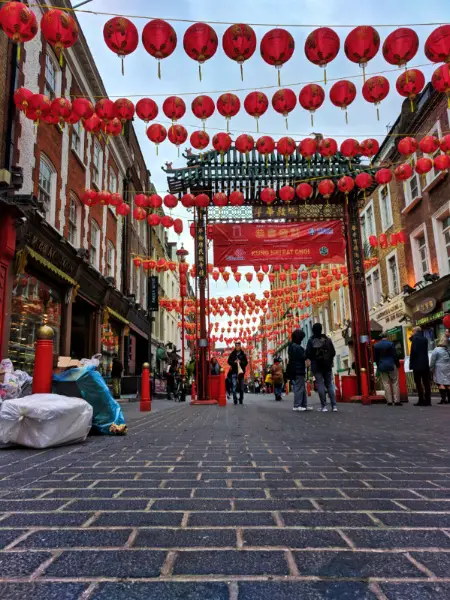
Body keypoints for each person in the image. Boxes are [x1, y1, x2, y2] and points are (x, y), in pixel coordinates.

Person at [306, 323, 337, 412]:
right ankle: (334, 406)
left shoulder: (311, 341)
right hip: (327, 365)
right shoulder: (327, 339)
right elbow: (333, 352)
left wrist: (313, 358)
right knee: (329, 384)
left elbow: (308, 353)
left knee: (320, 385)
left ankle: (324, 406)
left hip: (316, 365)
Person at [374, 332, 401, 406]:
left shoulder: (376, 346)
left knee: (386, 383)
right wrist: (397, 364)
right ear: (386, 337)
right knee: (395, 382)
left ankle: (389, 401)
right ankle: (397, 401)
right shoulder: (391, 344)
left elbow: (375, 358)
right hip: (391, 364)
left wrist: (378, 366)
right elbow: (395, 355)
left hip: (382, 365)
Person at [288, 329, 312, 412]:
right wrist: (308, 351)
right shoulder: (297, 347)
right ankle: (297, 405)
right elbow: (303, 356)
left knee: (302, 388)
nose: (302, 340)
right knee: (299, 388)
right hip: (298, 369)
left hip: (297, 369)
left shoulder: (292, 346)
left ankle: (303, 405)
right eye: (301, 338)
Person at [409, 326, 431, 406]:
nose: (412, 333)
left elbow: (413, 351)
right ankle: (428, 400)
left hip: (417, 364)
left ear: (415, 331)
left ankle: (421, 399)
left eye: (412, 331)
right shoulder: (424, 339)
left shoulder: (415, 339)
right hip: (425, 363)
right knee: (426, 382)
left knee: (418, 382)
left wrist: (411, 363)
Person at [430, 334, 450, 404]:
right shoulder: (447, 349)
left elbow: (433, 360)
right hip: (448, 366)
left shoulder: (436, 349)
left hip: (439, 367)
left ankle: (443, 399)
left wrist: (431, 368)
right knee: (448, 382)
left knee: (441, 383)